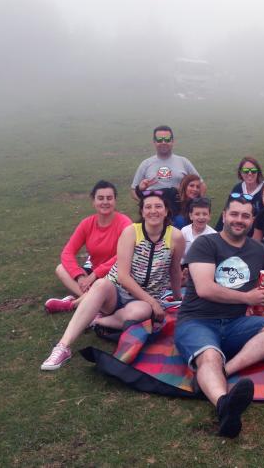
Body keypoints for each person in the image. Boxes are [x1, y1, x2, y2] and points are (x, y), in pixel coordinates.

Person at [174, 195, 264, 438]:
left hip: (236, 323)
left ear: (252, 220)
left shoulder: (258, 250)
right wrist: (246, 299)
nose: (239, 220)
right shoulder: (205, 244)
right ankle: (223, 404)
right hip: (198, 320)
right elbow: (205, 288)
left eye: (245, 216)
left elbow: (256, 286)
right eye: (235, 214)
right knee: (209, 356)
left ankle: (223, 372)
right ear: (225, 215)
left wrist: (257, 300)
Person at [41, 191, 185, 371]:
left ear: (166, 211)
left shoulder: (176, 237)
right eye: (148, 207)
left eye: (158, 206)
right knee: (101, 285)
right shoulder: (131, 232)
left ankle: (96, 321)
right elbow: (123, 277)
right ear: (142, 212)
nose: (153, 211)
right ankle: (63, 346)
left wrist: (178, 298)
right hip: (116, 292)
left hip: (143, 299)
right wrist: (154, 304)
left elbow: (174, 270)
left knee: (141, 312)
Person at [45, 181, 133, 313]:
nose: (105, 202)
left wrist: (94, 275)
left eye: (109, 198)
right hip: (93, 273)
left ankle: (73, 304)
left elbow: (124, 255)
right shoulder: (87, 223)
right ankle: (92, 298)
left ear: (115, 200)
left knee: (104, 285)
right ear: (94, 201)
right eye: (100, 198)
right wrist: (79, 276)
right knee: (60, 268)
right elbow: (67, 253)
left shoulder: (125, 223)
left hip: (117, 274)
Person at [130, 125, 205, 212]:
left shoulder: (183, 162)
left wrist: (193, 206)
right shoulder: (145, 164)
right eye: (159, 140)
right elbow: (133, 191)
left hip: (179, 213)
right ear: (154, 142)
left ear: (173, 141)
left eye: (167, 139)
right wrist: (147, 204)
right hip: (155, 214)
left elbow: (202, 185)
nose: (163, 142)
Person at [215, 157, 264, 232]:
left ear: (258, 172)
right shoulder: (237, 188)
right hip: (237, 231)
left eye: (254, 171)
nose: (250, 173)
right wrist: (217, 232)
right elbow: (227, 210)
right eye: (246, 171)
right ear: (240, 173)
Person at [180, 197, 217, 264]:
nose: (201, 217)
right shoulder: (184, 231)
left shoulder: (213, 235)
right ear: (191, 216)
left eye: (205, 214)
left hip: (202, 267)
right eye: (197, 214)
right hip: (184, 265)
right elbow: (179, 252)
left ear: (209, 216)